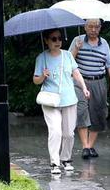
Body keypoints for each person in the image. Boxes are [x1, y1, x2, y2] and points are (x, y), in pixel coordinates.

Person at [33, 29, 90, 174]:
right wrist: (43, 76)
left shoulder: (67, 56)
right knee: (55, 131)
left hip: (69, 99)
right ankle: (55, 162)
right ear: (46, 40)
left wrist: (84, 88)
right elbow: (35, 80)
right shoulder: (41, 58)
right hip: (50, 101)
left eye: (59, 38)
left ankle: (66, 159)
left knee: (68, 133)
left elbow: (76, 73)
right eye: (53, 39)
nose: (57, 41)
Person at [69, 19, 110, 160]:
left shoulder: (104, 43)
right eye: (90, 26)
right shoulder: (77, 40)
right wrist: (76, 48)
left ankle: (90, 145)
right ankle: (85, 147)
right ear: (85, 27)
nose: (93, 29)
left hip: (99, 81)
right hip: (80, 81)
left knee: (98, 112)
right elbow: (69, 61)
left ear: (100, 28)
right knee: (82, 110)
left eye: (96, 27)